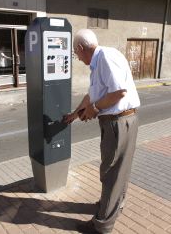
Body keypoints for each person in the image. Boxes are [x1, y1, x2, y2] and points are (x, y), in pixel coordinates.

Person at [64, 29, 140, 234]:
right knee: (117, 171)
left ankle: (102, 225)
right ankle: (112, 206)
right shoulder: (98, 63)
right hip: (116, 122)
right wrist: (75, 114)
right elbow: (92, 96)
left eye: (75, 54)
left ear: (80, 48)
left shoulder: (106, 57)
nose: (77, 58)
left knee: (111, 173)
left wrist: (95, 109)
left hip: (118, 122)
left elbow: (118, 92)